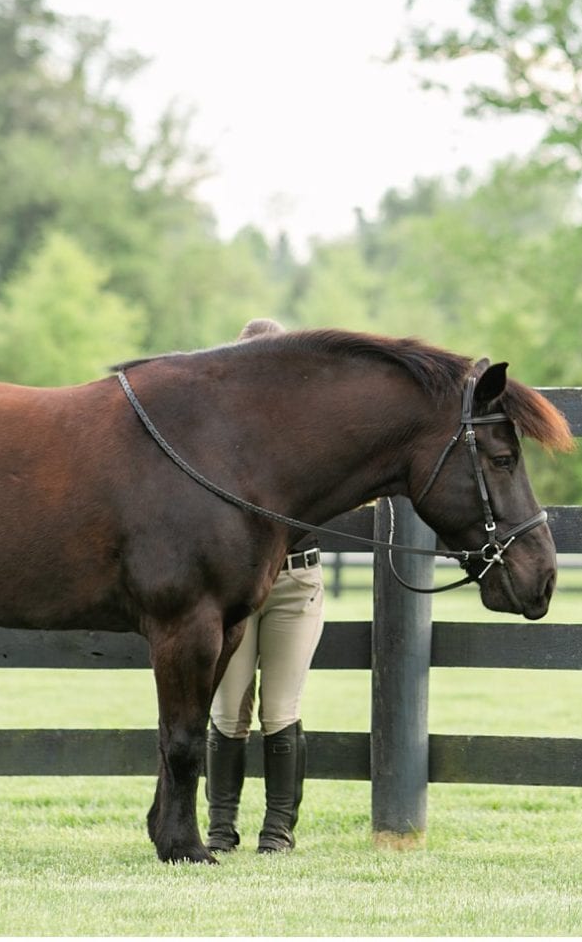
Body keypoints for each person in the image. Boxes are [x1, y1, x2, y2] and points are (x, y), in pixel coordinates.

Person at [203, 316, 329, 855]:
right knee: (228, 711)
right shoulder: (218, 439)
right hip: (232, 585)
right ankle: (220, 828)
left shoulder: (307, 438)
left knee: (281, 708)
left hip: (295, 583)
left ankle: (278, 830)